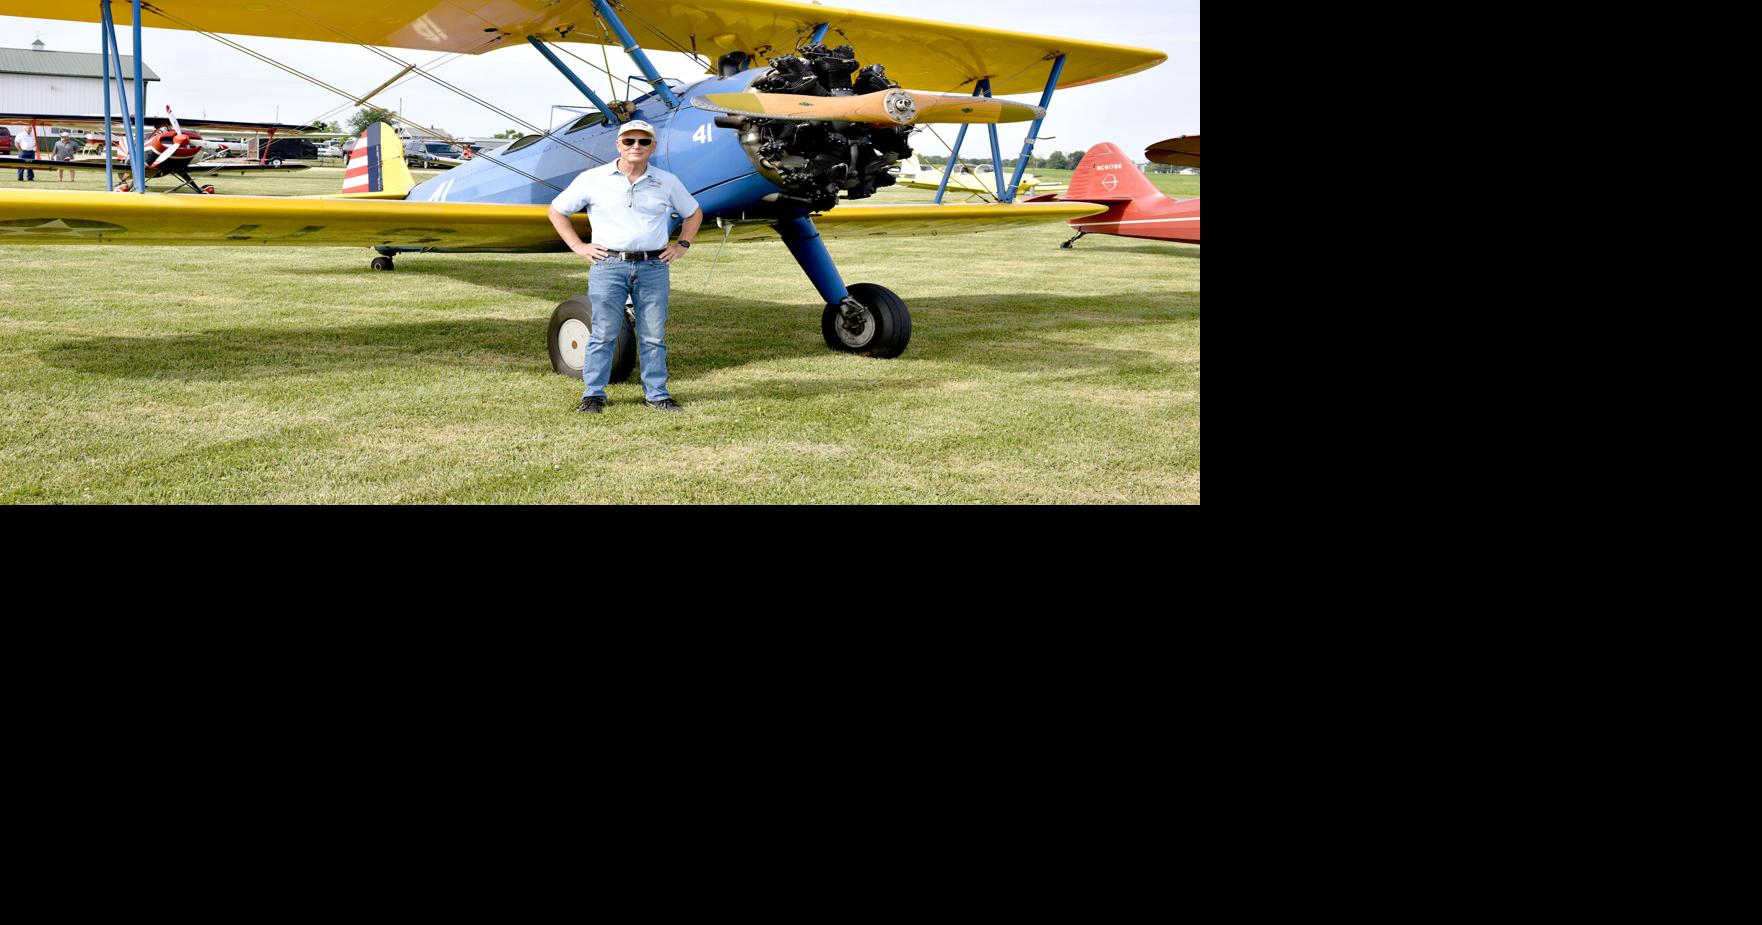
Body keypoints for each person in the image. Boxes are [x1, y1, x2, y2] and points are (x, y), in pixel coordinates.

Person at [547, 120, 703, 414]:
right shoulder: (593, 178)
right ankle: (593, 394)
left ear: (653, 147)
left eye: (644, 142)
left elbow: (693, 213)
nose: (636, 147)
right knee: (603, 332)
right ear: (618, 144)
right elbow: (557, 210)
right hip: (608, 265)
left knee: (653, 335)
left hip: (653, 265)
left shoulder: (666, 181)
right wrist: (578, 246)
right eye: (629, 141)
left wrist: (682, 245)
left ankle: (657, 395)